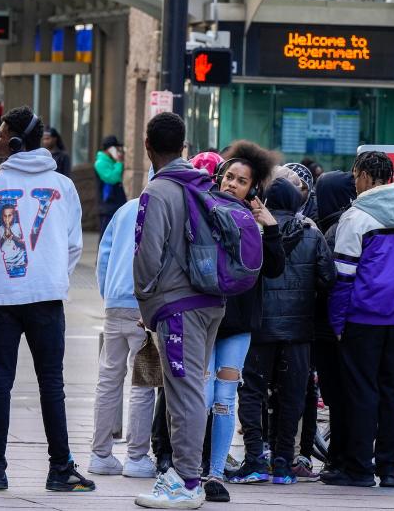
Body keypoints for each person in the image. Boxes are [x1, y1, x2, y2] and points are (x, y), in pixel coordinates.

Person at [0, 106, 93, 493]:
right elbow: (74, 245)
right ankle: (60, 468)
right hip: (48, 299)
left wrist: (1, 280)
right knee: (52, 384)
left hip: (4, 300)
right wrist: (51, 277)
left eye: (1, 134)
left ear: (17, 143)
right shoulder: (63, 187)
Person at [132, 113, 225, 510]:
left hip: (177, 307)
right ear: (184, 147)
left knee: (183, 393)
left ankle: (187, 482)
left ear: (147, 145)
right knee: (190, 388)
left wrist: (145, 299)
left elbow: (146, 257)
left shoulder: (158, 192)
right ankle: (184, 475)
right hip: (211, 301)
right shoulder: (204, 184)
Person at [325, 151, 394, 489]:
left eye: (356, 176)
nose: (354, 183)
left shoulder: (355, 218)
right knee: (391, 393)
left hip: (360, 319)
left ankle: (358, 468)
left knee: (360, 393)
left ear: (367, 177)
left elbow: (343, 278)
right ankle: (389, 469)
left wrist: (337, 321)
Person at [237, 178, 334, 487]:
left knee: (252, 391)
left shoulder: (252, 228)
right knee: (291, 397)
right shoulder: (312, 233)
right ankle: (283, 464)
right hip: (298, 330)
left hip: (259, 327)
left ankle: (254, 459)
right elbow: (328, 277)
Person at [208, 142, 284, 499]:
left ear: (253, 188)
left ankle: (214, 472)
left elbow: (275, 268)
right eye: (229, 177)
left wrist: (269, 226)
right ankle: (186, 466)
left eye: (241, 181)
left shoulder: (256, 224)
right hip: (202, 318)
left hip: (238, 325)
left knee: (224, 399)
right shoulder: (203, 209)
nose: (232, 184)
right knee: (199, 396)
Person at [88, 192, 157, 479]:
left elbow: (103, 254)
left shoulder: (126, 209)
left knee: (108, 379)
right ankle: (137, 457)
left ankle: (100, 453)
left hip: (115, 303)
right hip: (144, 306)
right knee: (143, 382)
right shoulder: (169, 207)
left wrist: (108, 294)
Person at [298, 170, 356, 477]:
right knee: (339, 394)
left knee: (337, 395)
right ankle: (338, 456)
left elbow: (331, 280)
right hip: (338, 323)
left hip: (329, 325)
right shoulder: (337, 223)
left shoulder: (333, 228)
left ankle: (339, 458)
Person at [94, 134, 127, 236]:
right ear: (110, 149)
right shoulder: (100, 163)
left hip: (117, 204)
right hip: (107, 206)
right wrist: (119, 162)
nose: (118, 151)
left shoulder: (112, 162)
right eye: (116, 148)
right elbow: (112, 178)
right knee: (106, 234)